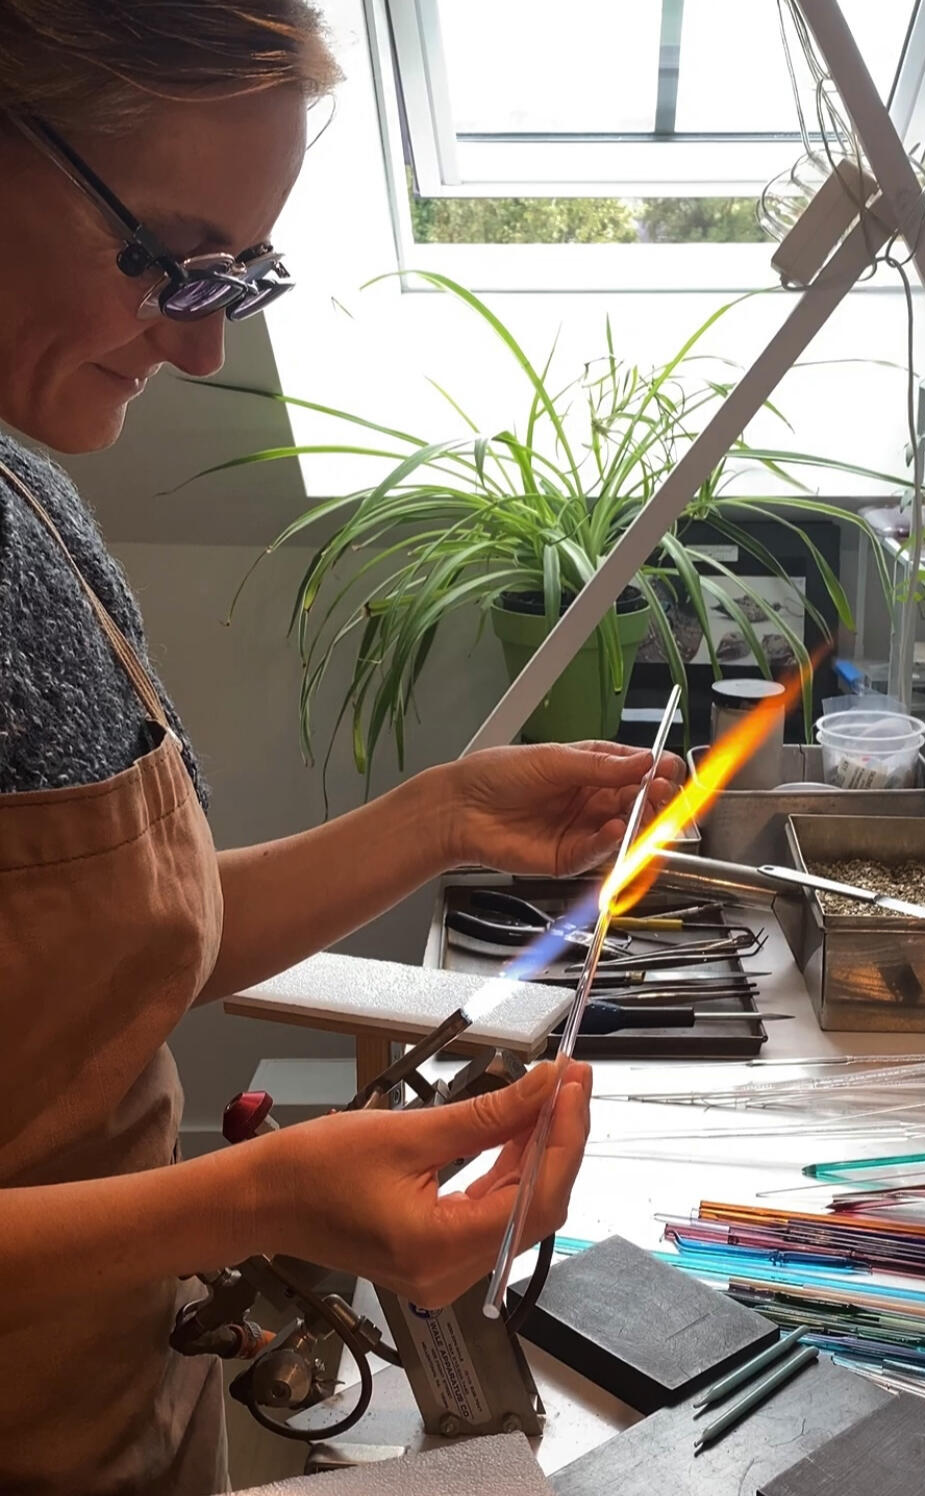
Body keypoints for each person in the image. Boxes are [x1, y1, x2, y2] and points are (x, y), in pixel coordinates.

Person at [0, 5, 684, 1492]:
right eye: (167, 259)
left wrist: (444, 817)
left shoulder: (29, 496)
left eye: (240, 276)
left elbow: (132, 945)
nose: (203, 344)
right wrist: (257, 1196)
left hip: (117, 1408)